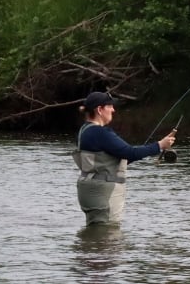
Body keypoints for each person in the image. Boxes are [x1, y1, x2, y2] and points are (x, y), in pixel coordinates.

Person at [72, 91, 176, 226]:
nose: (113, 110)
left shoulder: (84, 131)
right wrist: (160, 145)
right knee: (108, 236)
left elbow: (109, 159)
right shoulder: (100, 133)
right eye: (110, 106)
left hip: (89, 190)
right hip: (103, 194)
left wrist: (153, 149)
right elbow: (130, 153)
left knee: (96, 236)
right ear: (100, 109)